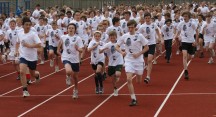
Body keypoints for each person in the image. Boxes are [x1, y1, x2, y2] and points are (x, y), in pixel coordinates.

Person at [116, 20, 149, 106]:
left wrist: (138, 54)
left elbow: (146, 48)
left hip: (138, 60)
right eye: (129, 27)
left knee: (139, 81)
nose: (130, 29)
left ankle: (139, 76)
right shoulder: (125, 36)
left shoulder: (140, 36)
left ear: (135, 27)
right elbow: (116, 46)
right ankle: (133, 99)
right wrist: (121, 52)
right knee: (128, 79)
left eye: (132, 27)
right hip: (128, 60)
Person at [15, 17, 41, 97]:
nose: (28, 26)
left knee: (32, 74)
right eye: (26, 25)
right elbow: (17, 43)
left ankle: (37, 75)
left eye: (29, 25)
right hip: (23, 56)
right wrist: (16, 50)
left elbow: (39, 44)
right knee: (22, 71)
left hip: (32, 57)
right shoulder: (19, 33)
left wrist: (29, 45)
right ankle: (25, 90)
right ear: (23, 25)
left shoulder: (33, 34)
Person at [57, 23, 83, 99]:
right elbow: (59, 45)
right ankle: (68, 76)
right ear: (67, 29)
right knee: (68, 71)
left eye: (72, 28)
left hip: (75, 59)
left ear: (75, 30)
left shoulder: (78, 38)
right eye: (69, 28)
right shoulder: (63, 37)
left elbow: (81, 49)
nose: (71, 29)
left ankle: (75, 89)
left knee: (75, 77)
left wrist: (77, 48)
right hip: (66, 57)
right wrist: (58, 51)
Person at [138, 12, 162, 84]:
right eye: (146, 18)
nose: (147, 19)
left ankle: (148, 76)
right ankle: (146, 65)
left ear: (150, 18)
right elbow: (138, 35)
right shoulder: (142, 26)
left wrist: (159, 37)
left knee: (149, 60)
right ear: (144, 19)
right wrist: (143, 38)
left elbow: (157, 30)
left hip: (152, 44)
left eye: (148, 18)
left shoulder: (153, 24)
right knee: (146, 59)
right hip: (145, 45)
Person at [173, 11, 198, 80]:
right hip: (184, 41)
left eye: (186, 16)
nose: (184, 17)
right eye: (184, 16)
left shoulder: (192, 23)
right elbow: (178, 32)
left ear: (189, 17)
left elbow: (197, 32)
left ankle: (186, 63)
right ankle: (186, 71)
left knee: (190, 56)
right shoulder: (181, 23)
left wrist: (196, 41)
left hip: (191, 42)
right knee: (184, 56)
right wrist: (175, 37)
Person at [100, 31, 124, 96]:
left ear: (116, 37)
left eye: (114, 38)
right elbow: (100, 51)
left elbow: (124, 49)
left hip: (119, 61)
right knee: (113, 78)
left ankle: (117, 76)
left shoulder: (119, 43)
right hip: (111, 63)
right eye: (111, 38)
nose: (113, 39)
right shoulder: (107, 44)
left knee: (118, 74)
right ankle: (115, 88)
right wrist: (104, 48)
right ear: (109, 38)